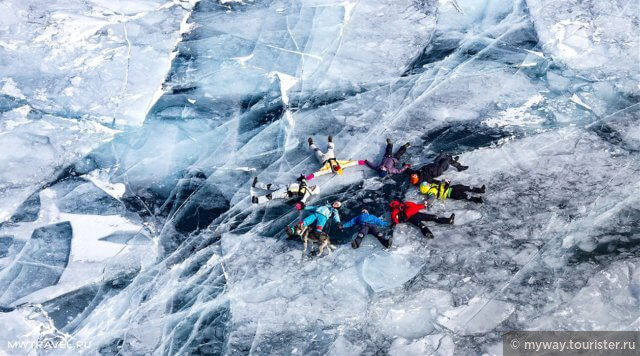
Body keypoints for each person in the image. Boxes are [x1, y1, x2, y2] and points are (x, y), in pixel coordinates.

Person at [389, 200, 454, 239]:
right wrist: (423, 205)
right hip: (413, 216)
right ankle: (428, 233)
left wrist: (423, 206)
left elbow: (394, 217)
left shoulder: (399, 208)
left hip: (414, 215)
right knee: (429, 220)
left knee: (426, 222)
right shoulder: (404, 205)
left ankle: (448, 221)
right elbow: (416, 206)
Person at [251, 175, 319, 208]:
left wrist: (301, 205)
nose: (312, 186)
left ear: (313, 191)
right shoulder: (306, 186)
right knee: (270, 186)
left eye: (313, 187)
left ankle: (257, 200)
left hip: (285, 193)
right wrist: (302, 177)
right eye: (314, 186)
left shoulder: (307, 193)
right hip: (285, 187)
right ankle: (256, 184)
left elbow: (302, 201)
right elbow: (303, 180)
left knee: (272, 196)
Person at [419, 181, 485, 204]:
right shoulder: (431, 192)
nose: (428, 183)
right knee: (464, 195)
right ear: (426, 188)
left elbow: (440, 185)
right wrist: (427, 202)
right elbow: (431, 198)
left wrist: (444, 181)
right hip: (451, 194)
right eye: (426, 184)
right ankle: (477, 200)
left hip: (451, 188)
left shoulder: (432, 186)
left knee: (464, 187)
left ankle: (480, 190)